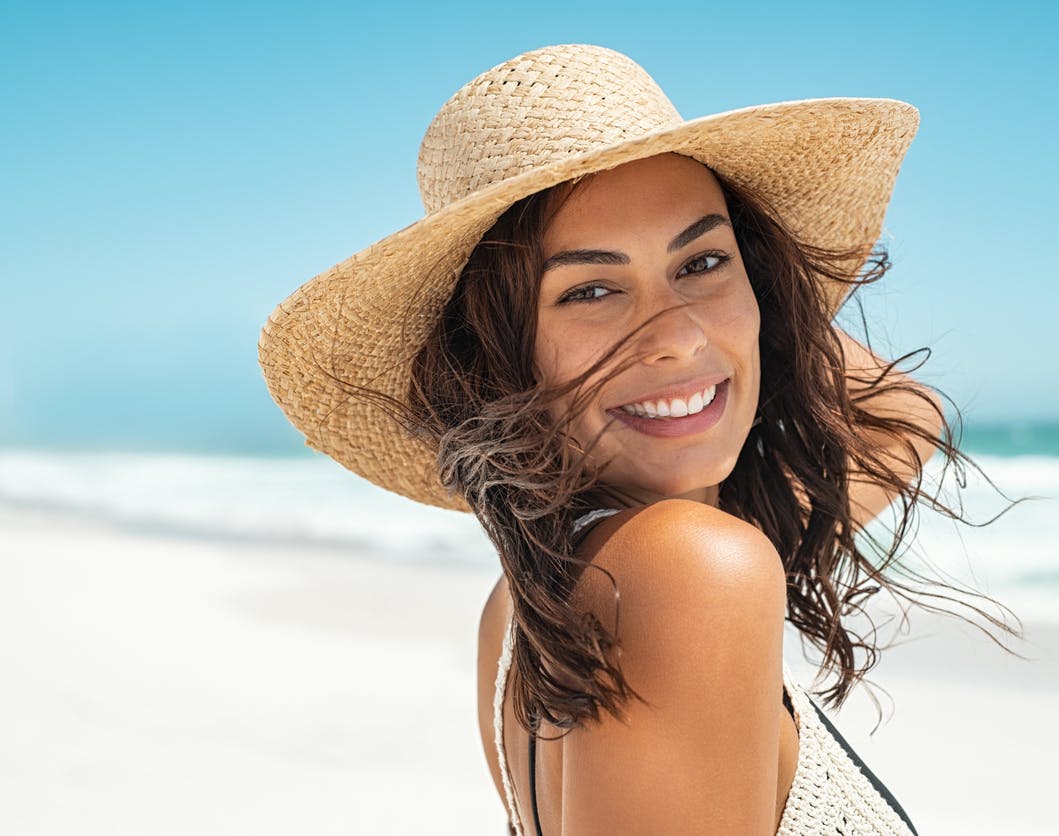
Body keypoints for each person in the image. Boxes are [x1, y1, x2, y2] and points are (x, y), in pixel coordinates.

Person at [259, 43, 1020, 835]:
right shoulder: (689, 572)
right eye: (591, 289)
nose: (678, 339)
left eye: (701, 262)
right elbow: (897, 409)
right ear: (498, 360)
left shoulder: (529, 606)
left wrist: (766, 316)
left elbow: (900, 413)